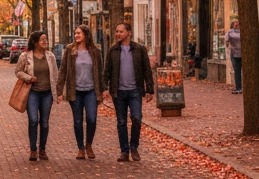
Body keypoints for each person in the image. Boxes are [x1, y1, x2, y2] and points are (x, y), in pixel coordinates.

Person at [103, 21, 154, 162]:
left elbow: (147, 70)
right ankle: (124, 151)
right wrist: (104, 88)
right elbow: (107, 71)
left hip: (135, 91)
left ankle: (134, 147)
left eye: (121, 31)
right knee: (121, 121)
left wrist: (150, 89)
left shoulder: (139, 49)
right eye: (117, 31)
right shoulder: (113, 50)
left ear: (129, 33)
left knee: (137, 118)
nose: (118, 34)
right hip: (118, 92)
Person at [56, 25, 104, 160]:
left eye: (79, 33)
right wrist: (59, 90)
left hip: (91, 91)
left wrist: (103, 89)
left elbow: (100, 72)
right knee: (77, 121)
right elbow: (63, 70)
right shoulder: (70, 50)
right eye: (75, 33)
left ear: (86, 34)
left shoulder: (95, 51)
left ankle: (89, 144)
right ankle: (80, 148)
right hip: (75, 91)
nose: (76, 35)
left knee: (91, 119)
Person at [15, 31, 58, 162]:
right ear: (35, 42)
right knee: (33, 120)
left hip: (47, 93)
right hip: (32, 92)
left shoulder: (50, 56)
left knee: (44, 122)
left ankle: (42, 150)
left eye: (46, 39)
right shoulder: (25, 56)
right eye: (42, 40)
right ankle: (33, 150)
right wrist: (29, 78)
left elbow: (55, 75)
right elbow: (18, 71)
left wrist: (59, 93)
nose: (45, 42)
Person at [227, 19, 242, 94]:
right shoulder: (230, 32)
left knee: (240, 70)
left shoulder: (242, 31)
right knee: (237, 70)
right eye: (235, 24)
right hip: (234, 52)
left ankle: (241, 87)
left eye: (237, 24)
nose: (236, 25)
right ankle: (238, 87)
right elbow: (226, 39)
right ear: (232, 25)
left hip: (242, 53)